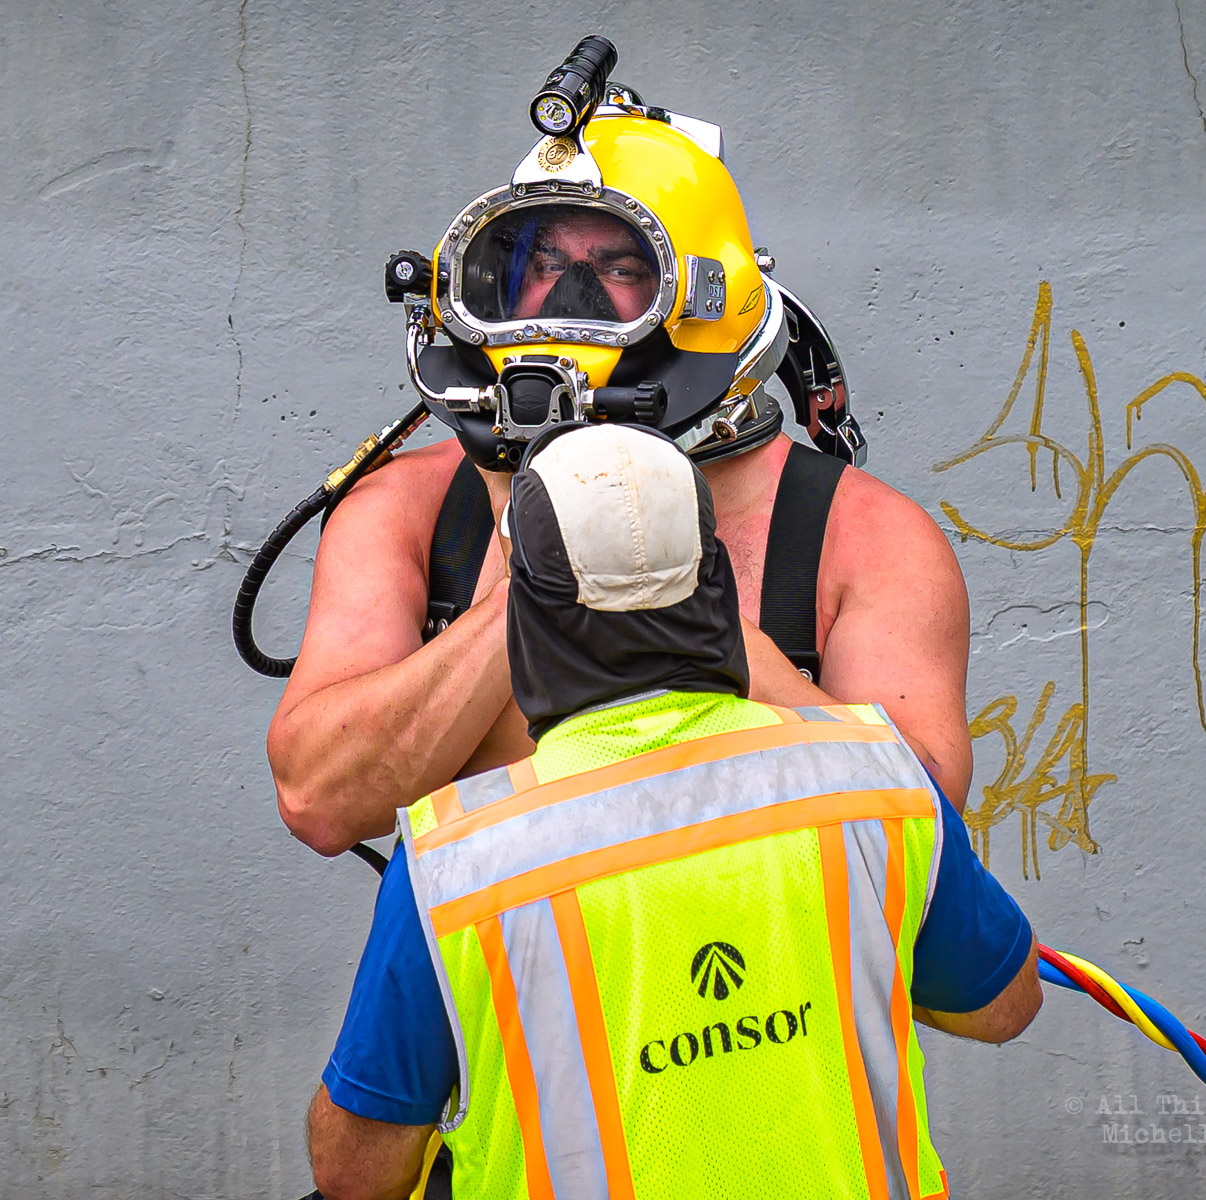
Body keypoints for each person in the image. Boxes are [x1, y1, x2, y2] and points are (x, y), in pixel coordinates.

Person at [304, 424, 1040, 1200]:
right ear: (717, 583)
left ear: (521, 617)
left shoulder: (454, 864)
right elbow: (1004, 1006)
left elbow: (355, 1171)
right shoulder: (878, 785)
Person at [267, 75, 974, 859]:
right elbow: (318, 801)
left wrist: (687, 612)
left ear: (707, 298)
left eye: (621, 269)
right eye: (542, 262)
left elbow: (922, 832)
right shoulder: (410, 512)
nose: (570, 296)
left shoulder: (866, 538)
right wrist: (533, 586)